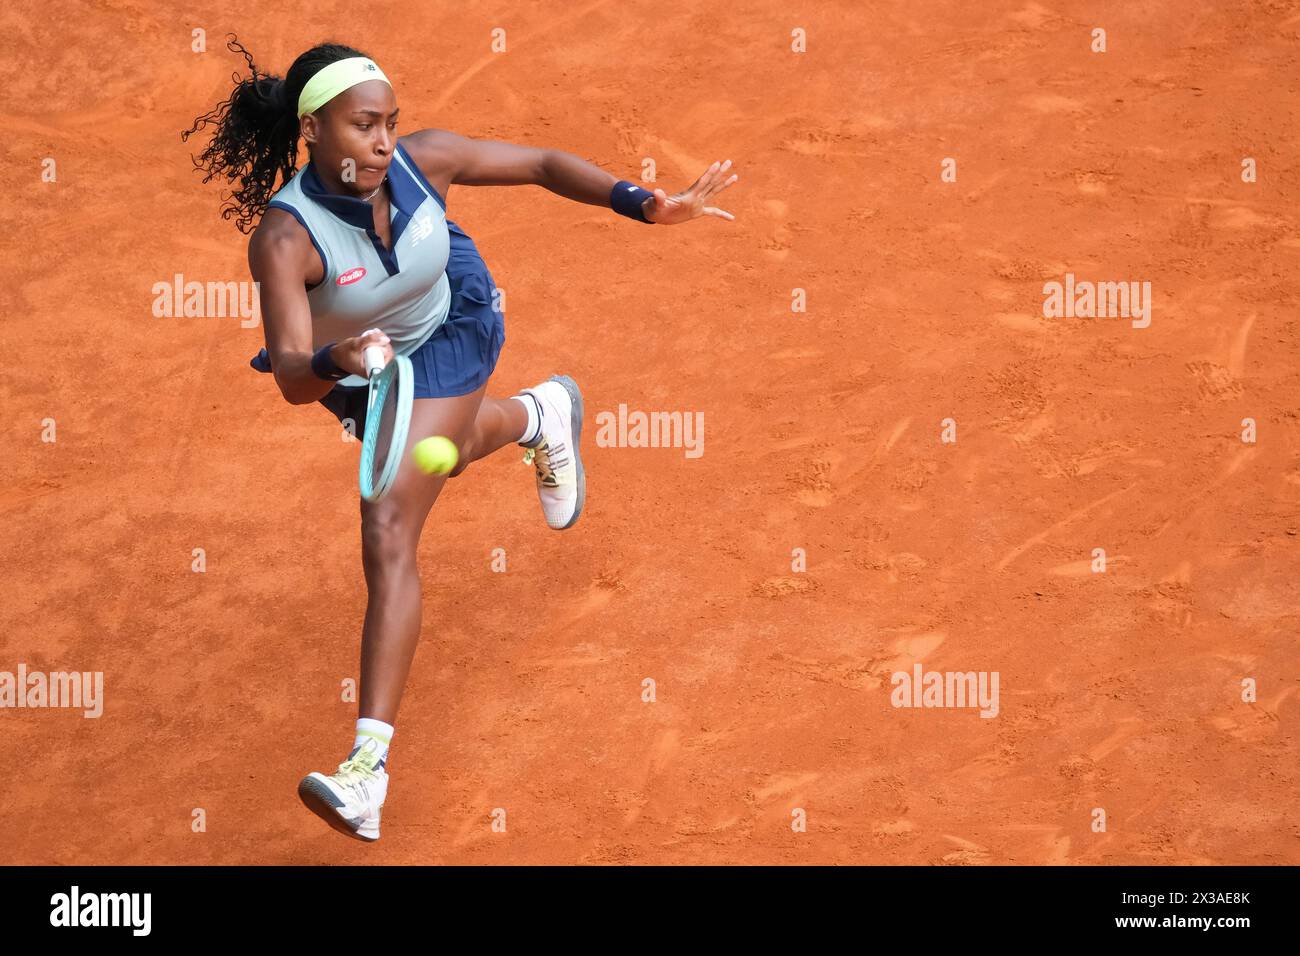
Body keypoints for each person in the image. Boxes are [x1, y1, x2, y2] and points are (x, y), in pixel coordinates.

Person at [184, 38, 738, 841]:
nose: (382, 143)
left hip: (450, 323)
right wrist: (342, 356)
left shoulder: (422, 162)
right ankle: (537, 415)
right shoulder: (285, 240)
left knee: (388, 525)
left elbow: (545, 163)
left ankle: (366, 771)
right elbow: (295, 381)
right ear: (313, 129)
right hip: (359, 366)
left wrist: (643, 202)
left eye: (389, 124)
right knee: (444, 447)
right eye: (363, 126)